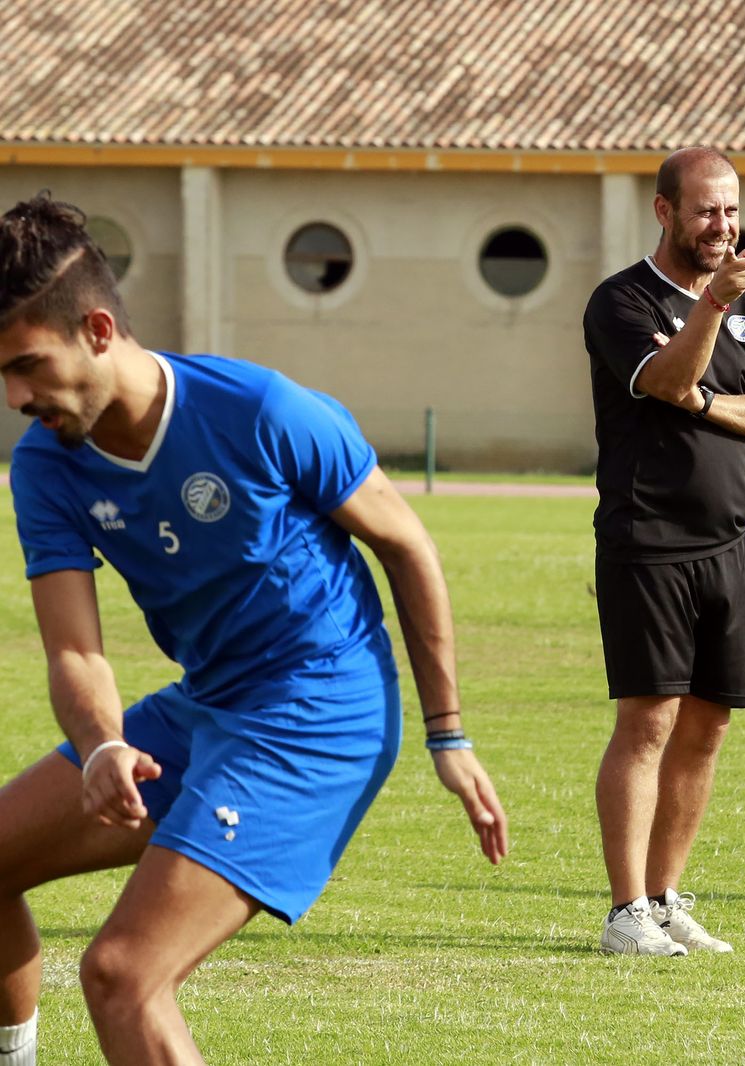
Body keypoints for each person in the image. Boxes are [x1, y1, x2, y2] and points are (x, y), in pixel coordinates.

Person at [0, 194, 508, 1066]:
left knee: (122, 973)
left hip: (320, 713)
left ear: (95, 328)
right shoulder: (46, 465)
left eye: (26, 365)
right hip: (208, 707)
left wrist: (447, 732)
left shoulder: (260, 411)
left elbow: (406, 546)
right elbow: (75, 648)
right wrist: (99, 748)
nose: (14, 396)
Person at [582, 146, 745, 955]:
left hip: (730, 543)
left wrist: (709, 399)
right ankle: (624, 912)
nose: (724, 226)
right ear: (665, 211)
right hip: (648, 540)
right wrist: (709, 308)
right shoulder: (621, 301)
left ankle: (668, 898)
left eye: (732, 210)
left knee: (708, 727)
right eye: (707, 210)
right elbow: (667, 381)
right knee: (648, 721)